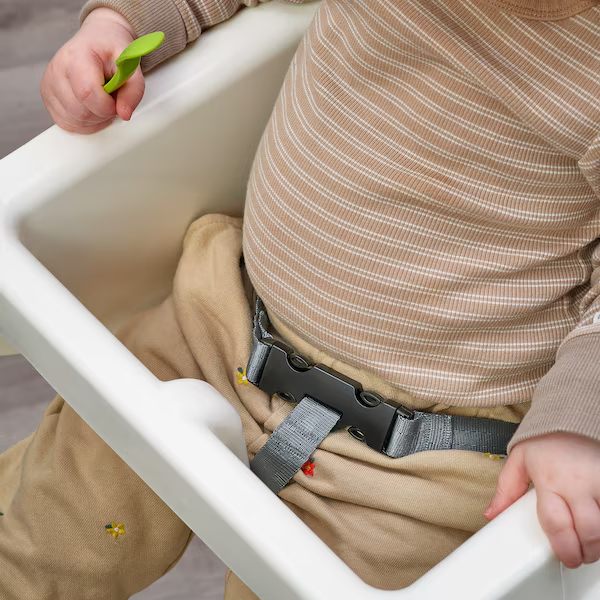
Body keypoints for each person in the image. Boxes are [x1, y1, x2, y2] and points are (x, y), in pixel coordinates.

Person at [1, 0, 599, 597]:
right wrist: (122, 26)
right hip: (217, 326)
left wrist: (577, 420)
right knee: (45, 534)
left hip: (420, 471)